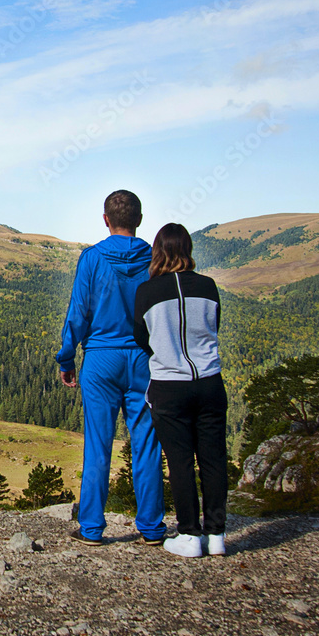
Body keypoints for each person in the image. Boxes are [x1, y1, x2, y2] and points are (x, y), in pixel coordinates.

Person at [56, 189, 166, 547]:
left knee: (99, 445)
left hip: (101, 359)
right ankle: (151, 528)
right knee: (147, 444)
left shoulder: (91, 259)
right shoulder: (153, 259)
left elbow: (79, 313)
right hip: (145, 360)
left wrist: (67, 358)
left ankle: (91, 528)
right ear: (140, 219)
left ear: (106, 220)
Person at [133, 222, 228, 558]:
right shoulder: (208, 286)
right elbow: (215, 325)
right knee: (214, 459)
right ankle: (217, 534)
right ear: (187, 250)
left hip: (169, 385)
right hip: (209, 381)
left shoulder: (147, 291)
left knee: (181, 461)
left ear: (158, 251)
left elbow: (141, 338)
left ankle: (189, 534)